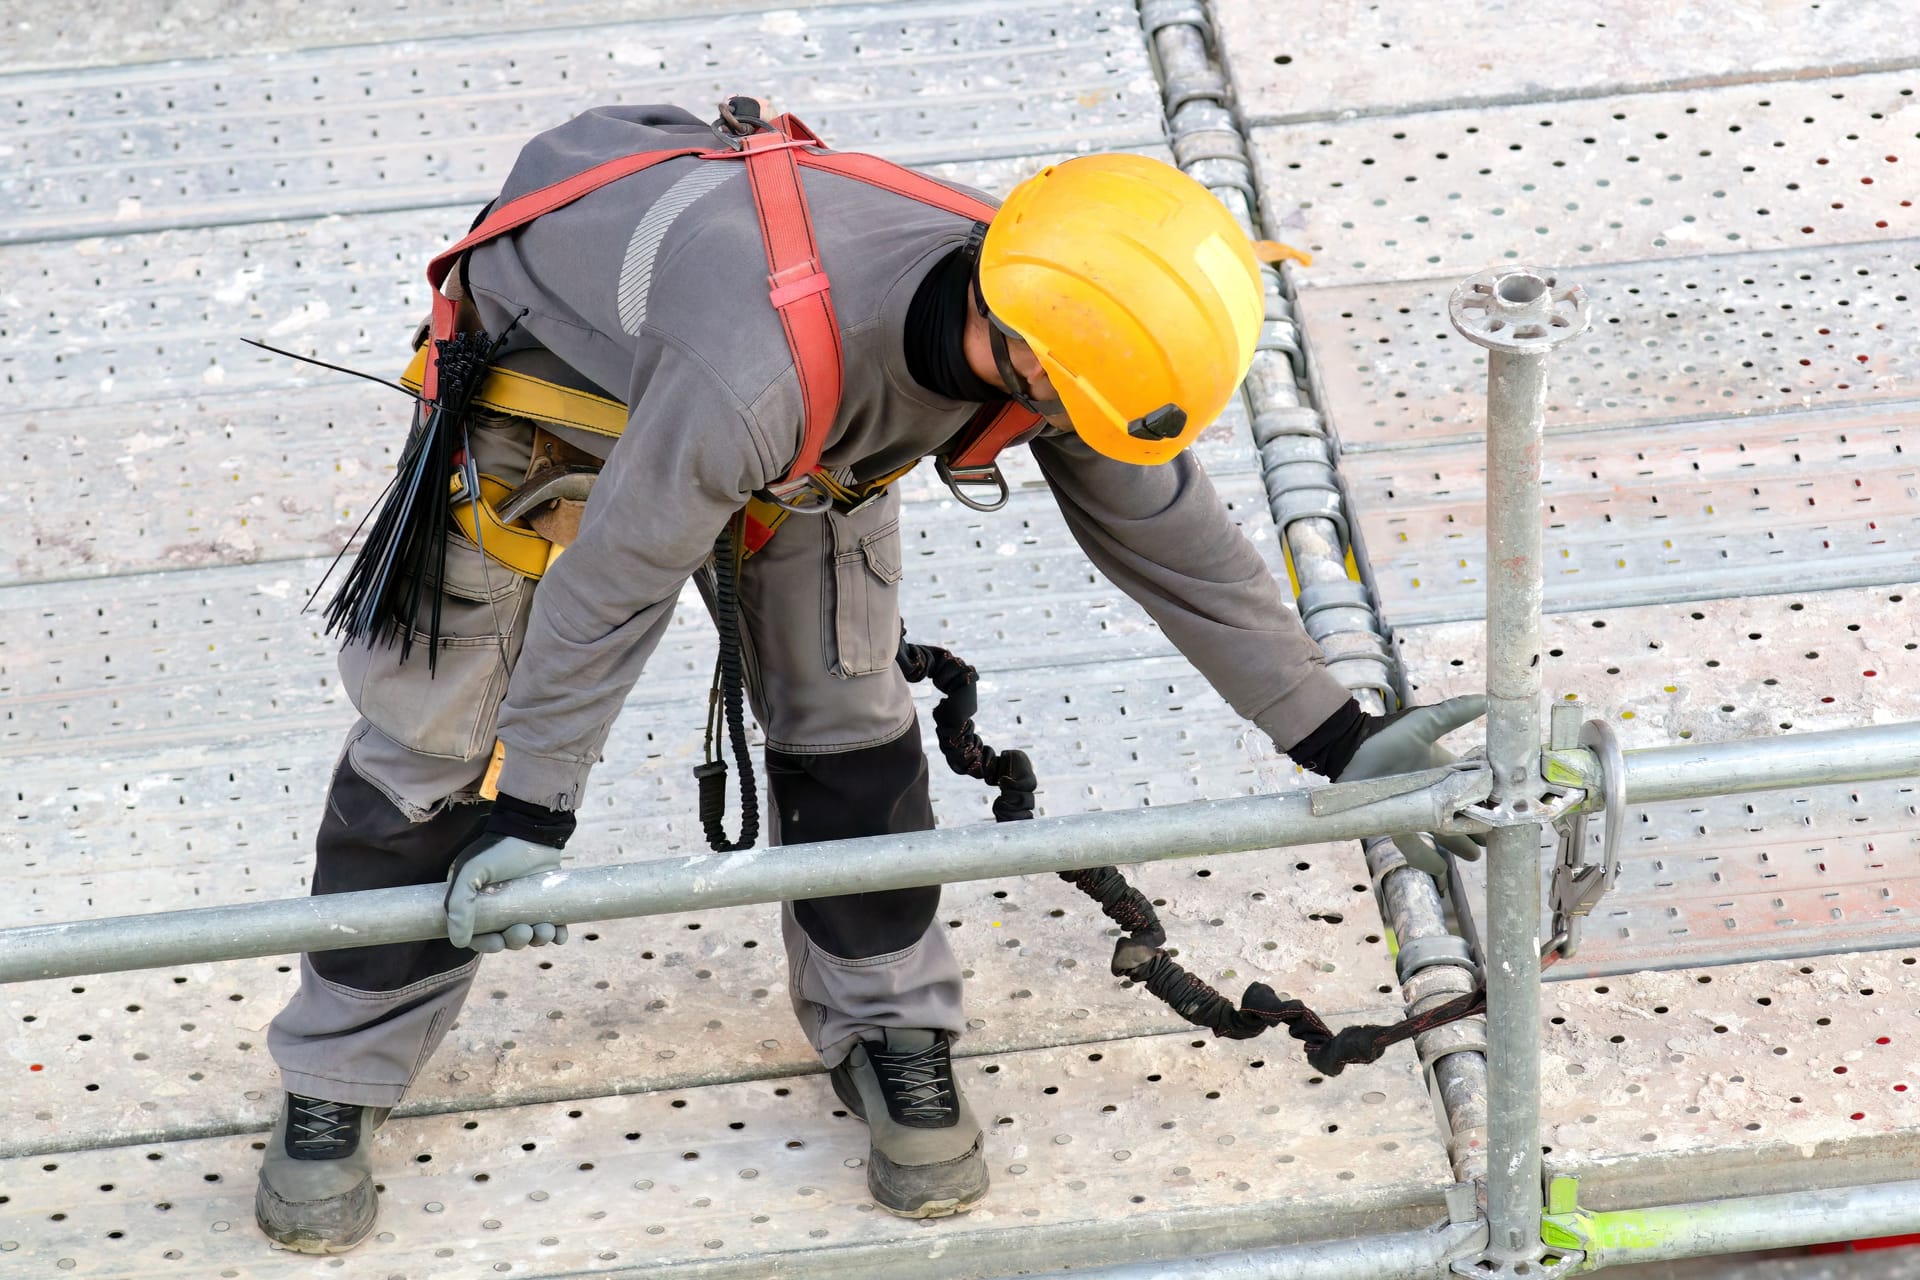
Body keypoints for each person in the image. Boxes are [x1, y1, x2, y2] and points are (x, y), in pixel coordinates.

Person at [253, 100, 1483, 1254]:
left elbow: (1172, 537)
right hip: (557, 395)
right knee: (436, 734)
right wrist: (534, 806)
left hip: (808, 435)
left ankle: (889, 1019)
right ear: (1024, 348)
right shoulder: (772, 364)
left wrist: (1336, 736)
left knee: (846, 709)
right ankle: (336, 1071)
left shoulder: (1064, 306)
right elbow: (613, 582)